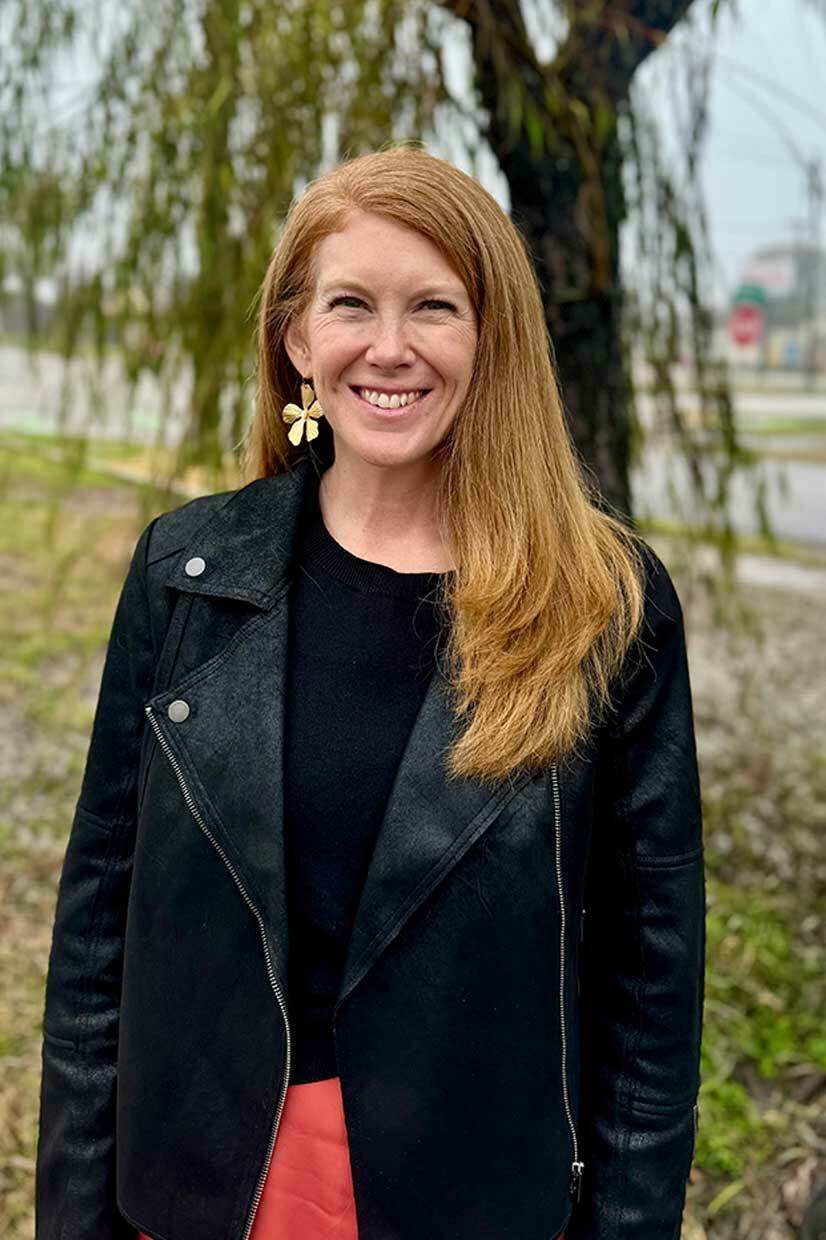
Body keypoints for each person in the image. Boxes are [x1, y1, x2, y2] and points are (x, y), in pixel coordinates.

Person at [35, 143, 705, 1240]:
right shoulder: (186, 573)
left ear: (492, 338)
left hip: (471, 1197)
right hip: (202, 1187)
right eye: (351, 304)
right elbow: (97, 938)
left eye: (434, 306)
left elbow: (650, 991)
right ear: (297, 339)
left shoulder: (602, 604)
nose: (389, 347)